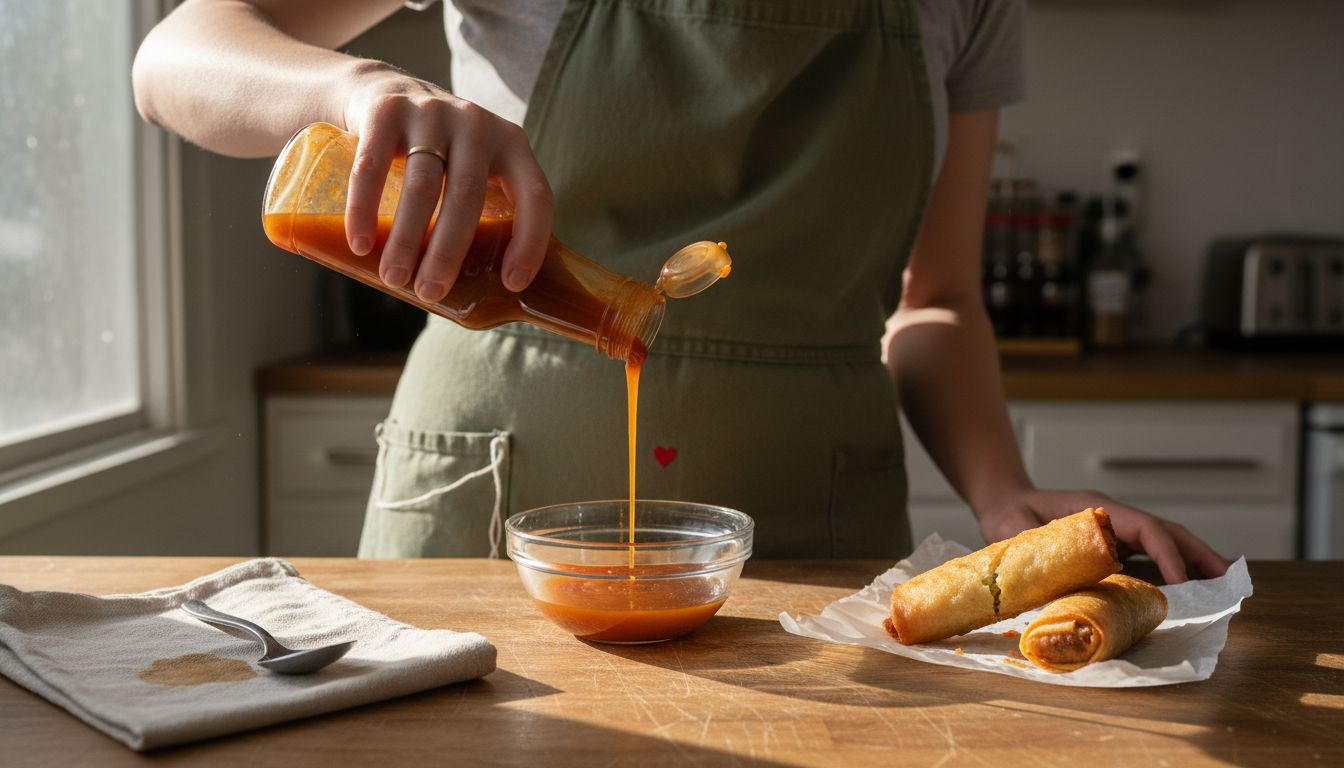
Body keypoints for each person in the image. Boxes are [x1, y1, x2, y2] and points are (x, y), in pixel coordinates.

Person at [133, 0, 1229, 582]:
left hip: (815, 525)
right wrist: (357, 86)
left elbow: (935, 297)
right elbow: (178, 53)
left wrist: (1001, 493)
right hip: (495, 514)